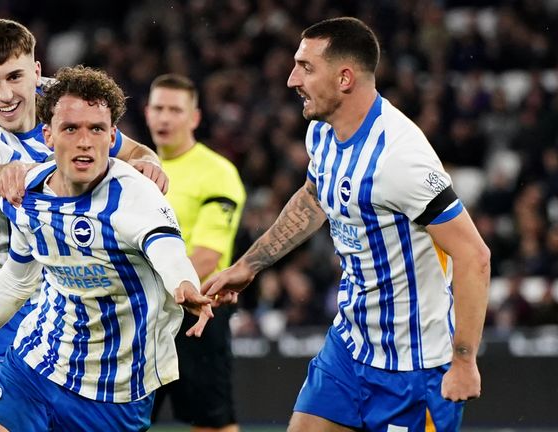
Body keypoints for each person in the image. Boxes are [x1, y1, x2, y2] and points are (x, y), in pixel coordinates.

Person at [0, 65, 213, 431]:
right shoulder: (27, 196)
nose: (84, 141)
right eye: (71, 128)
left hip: (114, 393)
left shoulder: (135, 196)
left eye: (97, 129)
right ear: (48, 136)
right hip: (36, 368)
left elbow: (168, 250)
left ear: (112, 136)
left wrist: (185, 285)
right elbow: (15, 282)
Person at [203, 17, 490, 432]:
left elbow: (474, 254)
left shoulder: (400, 158)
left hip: (416, 368)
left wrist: (464, 362)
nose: (290, 79)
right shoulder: (320, 131)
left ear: (344, 78)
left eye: (305, 67)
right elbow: (314, 198)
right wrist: (249, 266)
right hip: (351, 345)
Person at [0, 16, 167, 432]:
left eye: (14, 77)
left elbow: (134, 150)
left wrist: (149, 164)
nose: (4, 94)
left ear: (37, 72)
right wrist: (6, 175)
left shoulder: (63, 108)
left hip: (52, 311)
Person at [144, 74, 245, 432]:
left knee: (212, 424)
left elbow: (205, 257)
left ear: (195, 118)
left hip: (196, 317)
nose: (165, 118)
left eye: (175, 109)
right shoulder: (132, 171)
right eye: (158, 108)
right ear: (146, 112)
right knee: (122, 422)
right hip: (141, 320)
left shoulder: (218, 173)